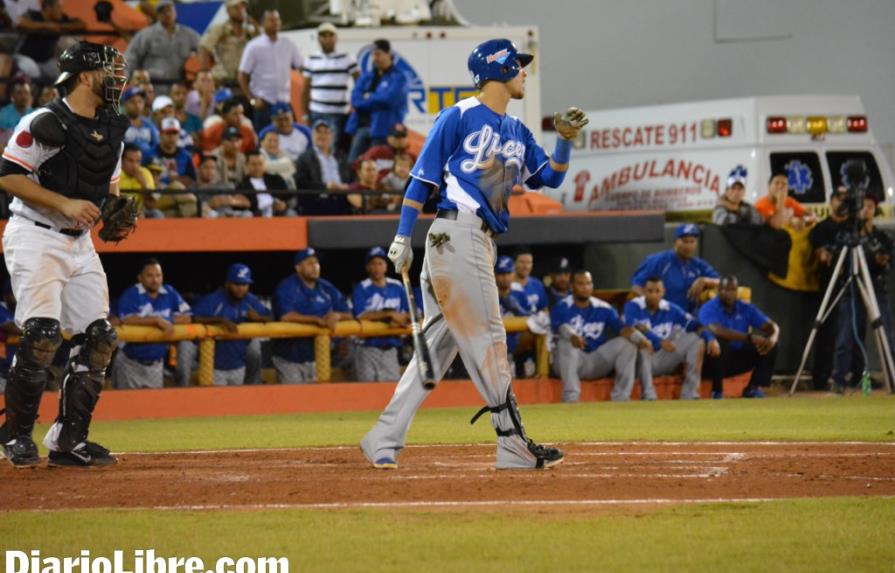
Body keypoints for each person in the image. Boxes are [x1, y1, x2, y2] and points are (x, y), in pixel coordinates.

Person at [361, 39, 590, 471]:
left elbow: (550, 179)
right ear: (498, 68)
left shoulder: (518, 130)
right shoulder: (460, 114)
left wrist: (564, 141)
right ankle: (511, 442)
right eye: (518, 65)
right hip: (457, 231)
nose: (524, 71)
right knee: (490, 337)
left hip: (476, 239)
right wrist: (401, 237)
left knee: (436, 350)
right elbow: (421, 181)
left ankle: (383, 436)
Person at [0, 41, 129, 467]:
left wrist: (115, 214)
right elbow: (8, 176)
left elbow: (107, 184)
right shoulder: (44, 120)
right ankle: (16, 435)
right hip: (36, 235)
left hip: (80, 241)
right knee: (40, 335)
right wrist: (64, 203)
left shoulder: (112, 127)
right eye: (110, 70)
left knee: (99, 338)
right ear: (88, 76)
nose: (117, 77)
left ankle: (68, 440)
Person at [829, 195, 894, 394]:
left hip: (876, 288)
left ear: (875, 210)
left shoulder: (881, 237)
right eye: (863, 206)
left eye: (870, 206)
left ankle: (891, 376)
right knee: (845, 335)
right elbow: (837, 260)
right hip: (851, 288)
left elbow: (888, 261)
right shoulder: (848, 236)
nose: (865, 210)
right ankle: (839, 379)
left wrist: (883, 260)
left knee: (886, 334)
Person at [552, 270, 648, 402]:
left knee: (627, 343)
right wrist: (572, 336)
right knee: (566, 342)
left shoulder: (603, 307)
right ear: (572, 287)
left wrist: (641, 339)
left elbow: (622, 329)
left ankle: (621, 397)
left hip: (595, 361)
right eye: (580, 284)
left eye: (588, 283)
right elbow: (561, 327)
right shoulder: (562, 306)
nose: (585, 287)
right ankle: (571, 398)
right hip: (568, 362)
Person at [623, 277, 719, 400]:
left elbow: (694, 325)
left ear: (663, 292)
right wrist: (659, 341)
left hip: (661, 358)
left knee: (696, 340)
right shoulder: (633, 306)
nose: (653, 295)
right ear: (644, 291)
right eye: (650, 291)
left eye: (657, 291)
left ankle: (690, 394)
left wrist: (711, 338)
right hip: (637, 362)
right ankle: (649, 396)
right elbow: (635, 327)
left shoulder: (670, 308)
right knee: (642, 342)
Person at [272, 248, 351, 384]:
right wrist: (315, 320)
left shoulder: (326, 288)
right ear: (298, 267)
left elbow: (350, 314)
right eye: (309, 263)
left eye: (316, 263)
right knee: (294, 401)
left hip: (318, 357)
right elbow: (285, 316)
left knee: (318, 401)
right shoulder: (287, 287)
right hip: (290, 357)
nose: (315, 267)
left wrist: (337, 315)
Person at [113, 258, 193, 389]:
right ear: (140, 277)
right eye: (149, 275)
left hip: (156, 365)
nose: (155, 279)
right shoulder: (132, 293)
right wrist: (156, 320)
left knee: (152, 407)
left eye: (158, 275)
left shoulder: (169, 292)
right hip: (130, 363)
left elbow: (188, 316)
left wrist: (167, 320)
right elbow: (126, 319)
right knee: (127, 406)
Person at [699, 274, 780, 399]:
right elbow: (717, 330)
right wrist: (749, 338)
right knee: (719, 342)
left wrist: (773, 337)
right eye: (726, 289)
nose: (730, 293)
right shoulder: (709, 307)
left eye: (733, 290)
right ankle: (717, 391)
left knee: (770, 344)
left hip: (736, 359)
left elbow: (771, 325)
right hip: (711, 362)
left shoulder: (744, 308)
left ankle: (753, 388)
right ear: (718, 290)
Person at [192, 263, 272, 386]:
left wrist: (259, 317)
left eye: (245, 284)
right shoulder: (214, 299)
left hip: (238, 364)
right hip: (214, 367)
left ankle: (254, 385)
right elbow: (194, 317)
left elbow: (273, 317)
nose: (241, 288)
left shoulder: (250, 300)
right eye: (237, 284)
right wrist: (220, 320)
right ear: (227, 284)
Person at [808, 187, 850, 390]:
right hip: (829, 285)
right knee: (827, 331)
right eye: (839, 199)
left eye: (846, 200)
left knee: (851, 330)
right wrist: (833, 257)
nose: (842, 203)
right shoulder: (822, 228)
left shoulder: (853, 229)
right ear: (831, 201)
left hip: (853, 282)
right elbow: (822, 256)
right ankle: (821, 377)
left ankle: (854, 374)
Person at [631, 223, 720, 313]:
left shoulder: (698, 265)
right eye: (685, 241)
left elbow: (721, 282)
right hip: (663, 318)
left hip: (689, 319)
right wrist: (653, 306)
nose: (689, 246)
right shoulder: (659, 261)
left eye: (692, 241)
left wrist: (704, 280)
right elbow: (636, 286)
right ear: (675, 242)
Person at [238, 9, 302, 132]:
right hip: (263, 102)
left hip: (284, 100)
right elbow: (242, 75)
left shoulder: (288, 44)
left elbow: (300, 66)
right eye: (271, 20)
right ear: (263, 23)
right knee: (265, 138)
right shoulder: (254, 46)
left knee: (291, 134)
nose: (275, 23)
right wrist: (251, 99)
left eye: (278, 20)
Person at [351, 247, 409, 381]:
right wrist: (389, 315)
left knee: (390, 390)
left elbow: (408, 312)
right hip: (367, 348)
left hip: (391, 347)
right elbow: (360, 315)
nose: (376, 267)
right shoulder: (362, 287)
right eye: (372, 264)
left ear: (386, 266)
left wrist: (400, 319)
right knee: (367, 391)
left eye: (380, 263)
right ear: (367, 267)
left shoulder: (397, 286)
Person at [346, 39, 408, 163]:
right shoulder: (367, 76)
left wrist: (368, 97)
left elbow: (388, 100)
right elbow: (355, 99)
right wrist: (374, 99)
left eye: (378, 54)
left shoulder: (399, 77)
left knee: (378, 165)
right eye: (373, 54)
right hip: (361, 127)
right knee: (352, 164)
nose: (375, 58)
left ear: (388, 54)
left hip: (383, 130)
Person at [301, 23, 358, 150]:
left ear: (336, 38)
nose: (327, 38)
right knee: (317, 147)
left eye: (330, 35)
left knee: (335, 148)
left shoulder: (347, 59)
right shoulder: (311, 59)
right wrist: (305, 114)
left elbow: (359, 83)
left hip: (339, 113)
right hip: (317, 111)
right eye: (323, 35)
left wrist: (355, 106)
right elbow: (305, 89)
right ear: (318, 38)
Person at [124, 0, 199, 92]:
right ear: (158, 15)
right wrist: (126, 79)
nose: (167, 14)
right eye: (163, 12)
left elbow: (204, 49)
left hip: (178, 87)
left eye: (170, 10)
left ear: (175, 13)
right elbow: (130, 57)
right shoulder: (146, 35)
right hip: (152, 86)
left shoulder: (188, 35)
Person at [13, 0, 84, 83]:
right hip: (24, 57)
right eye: (58, 7)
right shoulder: (33, 15)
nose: (60, 10)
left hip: (46, 60)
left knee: (65, 78)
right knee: (32, 70)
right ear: (48, 8)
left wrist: (58, 26)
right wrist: (47, 26)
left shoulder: (60, 19)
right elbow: (19, 22)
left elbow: (81, 24)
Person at [296, 119, 355, 215]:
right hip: (318, 201)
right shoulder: (304, 158)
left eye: (326, 132)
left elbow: (351, 178)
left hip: (343, 200)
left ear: (332, 136)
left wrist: (347, 187)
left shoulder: (341, 157)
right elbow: (301, 183)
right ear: (312, 135)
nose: (322, 136)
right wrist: (325, 187)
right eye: (318, 132)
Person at [198, 0, 258, 86]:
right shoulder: (219, 29)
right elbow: (204, 48)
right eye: (236, 8)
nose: (241, 10)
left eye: (243, 7)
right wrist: (205, 74)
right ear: (228, 10)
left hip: (246, 80)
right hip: (224, 80)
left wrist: (257, 27)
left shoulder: (250, 31)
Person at [494, 256, 530, 368]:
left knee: (532, 334)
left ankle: (524, 365)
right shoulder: (487, 293)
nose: (505, 277)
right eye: (501, 273)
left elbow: (531, 318)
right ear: (494, 275)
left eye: (509, 273)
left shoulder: (519, 292)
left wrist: (517, 309)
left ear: (514, 274)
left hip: (516, 338)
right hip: (494, 339)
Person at [237, 150, 289, 217]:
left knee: (290, 213)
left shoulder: (276, 179)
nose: (257, 168)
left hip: (277, 213)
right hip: (257, 216)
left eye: (260, 164)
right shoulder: (241, 186)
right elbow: (241, 206)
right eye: (253, 164)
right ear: (247, 165)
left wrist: (284, 204)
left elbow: (288, 197)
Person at [197, 153, 251, 218]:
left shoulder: (226, 185)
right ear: (199, 169)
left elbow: (247, 203)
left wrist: (231, 201)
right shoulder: (194, 188)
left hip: (231, 214)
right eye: (206, 168)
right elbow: (192, 208)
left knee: (248, 213)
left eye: (213, 168)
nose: (210, 171)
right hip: (212, 216)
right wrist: (210, 204)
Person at [119, 143, 163, 218]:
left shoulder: (145, 173)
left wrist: (144, 184)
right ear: (121, 160)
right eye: (130, 161)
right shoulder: (115, 174)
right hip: (118, 212)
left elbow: (152, 205)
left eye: (137, 161)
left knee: (157, 214)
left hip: (140, 211)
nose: (134, 165)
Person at [122, 86, 159, 165]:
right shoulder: (119, 124)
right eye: (132, 102)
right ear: (125, 103)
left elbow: (156, 146)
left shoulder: (149, 125)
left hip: (148, 165)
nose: (137, 105)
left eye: (140, 101)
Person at [512, 246, 548, 314]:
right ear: (514, 263)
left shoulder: (537, 285)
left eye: (528, 262)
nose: (525, 266)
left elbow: (544, 309)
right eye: (522, 262)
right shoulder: (506, 285)